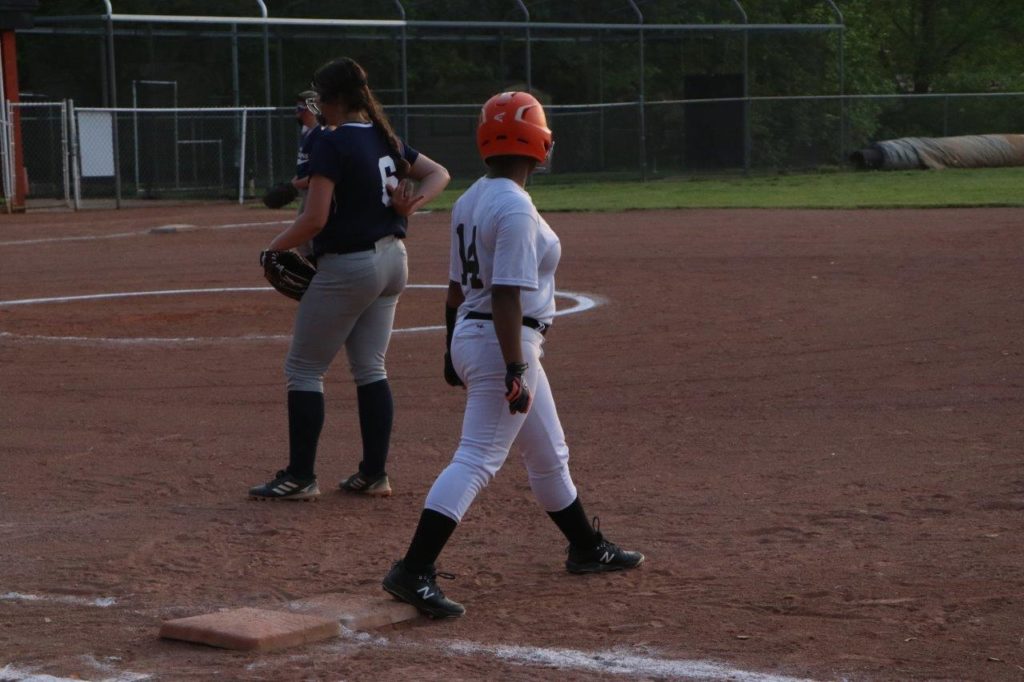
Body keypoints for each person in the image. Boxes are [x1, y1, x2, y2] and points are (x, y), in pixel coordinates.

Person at [381, 91, 644, 618]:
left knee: (548, 453)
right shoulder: (515, 207)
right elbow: (506, 294)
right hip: (504, 341)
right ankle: (413, 569)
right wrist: (515, 367)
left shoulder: (473, 198)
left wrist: (451, 350)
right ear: (539, 144)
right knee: (477, 457)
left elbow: (455, 290)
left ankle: (586, 547)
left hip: (477, 335)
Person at [248, 57, 451, 501]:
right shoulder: (382, 134)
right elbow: (440, 174)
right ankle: (373, 474)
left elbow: (315, 219)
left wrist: (272, 249)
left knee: (304, 369)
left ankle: (300, 476)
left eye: (320, 96)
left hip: (351, 266)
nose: (316, 104)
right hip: (394, 260)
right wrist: (412, 205)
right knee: (370, 368)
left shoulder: (330, 141)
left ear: (334, 98)